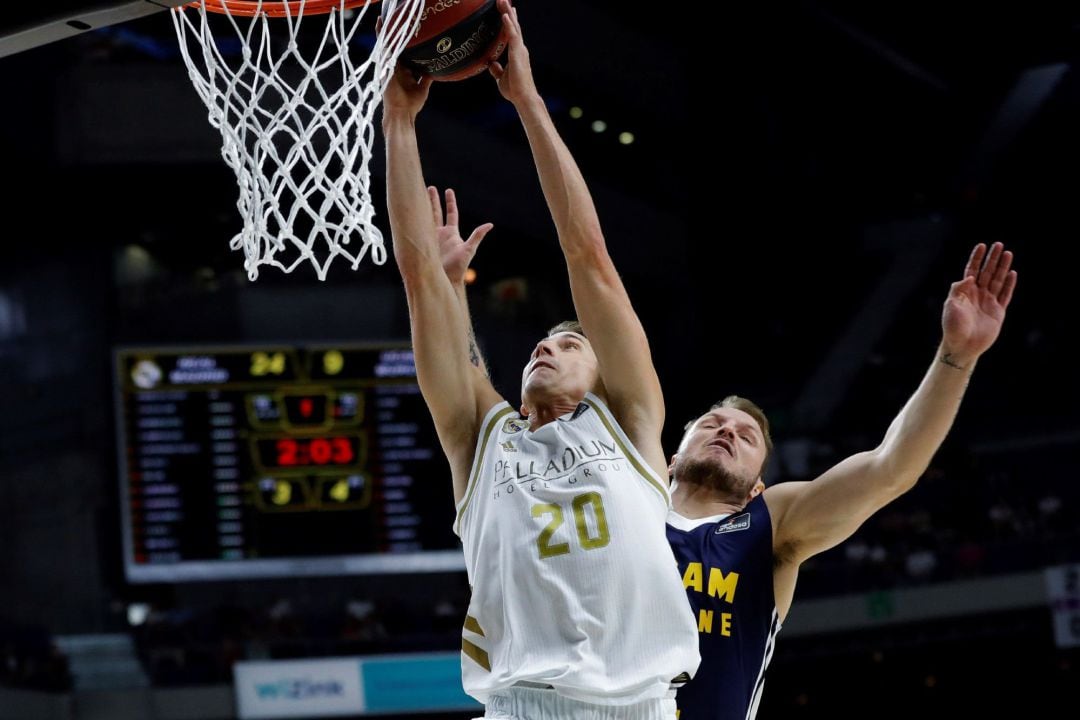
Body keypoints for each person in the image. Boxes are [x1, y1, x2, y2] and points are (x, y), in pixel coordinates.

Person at [380, 0, 700, 717]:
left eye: (572, 342)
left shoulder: (631, 423)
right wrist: (398, 124)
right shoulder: (480, 439)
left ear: (603, 377)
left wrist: (526, 100)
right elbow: (420, 277)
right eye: (544, 341)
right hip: (524, 706)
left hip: (643, 706)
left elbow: (589, 256)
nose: (549, 344)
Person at [666, 242, 1016, 719]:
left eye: (747, 437)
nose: (726, 429)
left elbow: (889, 470)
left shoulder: (768, 525)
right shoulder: (626, 507)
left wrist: (956, 357)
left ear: (756, 488)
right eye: (711, 423)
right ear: (670, 458)